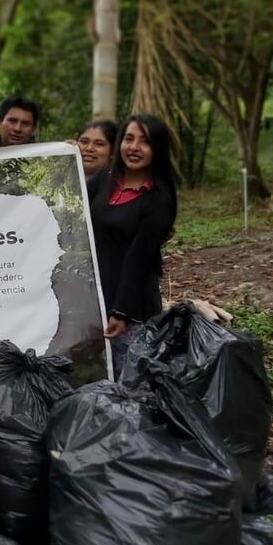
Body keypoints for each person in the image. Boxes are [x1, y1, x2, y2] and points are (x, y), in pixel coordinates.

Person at [87, 114, 177, 378]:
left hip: (131, 311)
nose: (134, 147)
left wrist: (121, 312)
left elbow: (138, 260)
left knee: (130, 385)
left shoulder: (158, 200)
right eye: (128, 139)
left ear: (157, 149)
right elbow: (72, 194)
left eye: (144, 141)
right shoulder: (107, 180)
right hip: (96, 299)